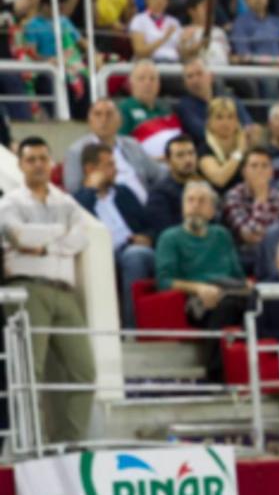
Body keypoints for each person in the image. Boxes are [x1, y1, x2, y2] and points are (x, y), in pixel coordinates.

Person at [0, 137, 94, 443]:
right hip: (27, 289)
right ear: (20, 164)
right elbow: (19, 236)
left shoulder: (65, 201)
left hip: (65, 291)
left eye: (43, 158)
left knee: (83, 371)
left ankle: (68, 443)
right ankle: (30, 443)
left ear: (51, 162)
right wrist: (59, 236)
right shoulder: (9, 203)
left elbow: (83, 236)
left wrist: (42, 245)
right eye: (31, 159)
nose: (39, 164)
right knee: (28, 372)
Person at [155, 180, 248, 381]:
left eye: (202, 201)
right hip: (195, 299)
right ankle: (216, 373)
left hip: (230, 290)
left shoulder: (222, 235)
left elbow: (237, 275)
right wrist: (199, 288)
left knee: (258, 302)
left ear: (212, 210)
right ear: (183, 206)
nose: (195, 205)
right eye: (190, 200)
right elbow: (164, 281)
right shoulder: (170, 238)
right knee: (227, 305)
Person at [73, 143, 156, 329]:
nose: (115, 170)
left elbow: (150, 226)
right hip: (103, 254)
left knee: (135, 255)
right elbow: (80, 219)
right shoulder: (77, 200)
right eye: (109, 165)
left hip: (135, 248)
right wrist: (91, 189)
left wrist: (146, 237)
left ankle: (138, 328)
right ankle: (131, 330)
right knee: (131, 258)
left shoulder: (124, 193)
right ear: (90, 169)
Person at [64, 98, 165, 204]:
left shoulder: (132, 144)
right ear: (89, 121)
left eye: (109, 114)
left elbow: (158, 174)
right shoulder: (76, 151)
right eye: (98, 114)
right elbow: (74, 190)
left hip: (147, 205)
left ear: (120, 121)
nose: (103, 120)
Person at [221, 147, 279, 256]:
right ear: (244, 172)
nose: (259, 171)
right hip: (246, 256)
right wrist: (260, 199)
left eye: (264, 166)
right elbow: (250, 237)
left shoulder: (278, 197)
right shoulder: (233, 196)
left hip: (277, 254)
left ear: (271, 172)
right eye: (254, 166)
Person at [117, 60, 181, 156]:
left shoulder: (166, 108)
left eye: (152, 79)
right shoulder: (124, 109)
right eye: (142, 79)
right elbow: (121, 147)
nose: (148, 83)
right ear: (131, 84)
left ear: (159, 84)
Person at [145, 135, 200, 240]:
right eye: (180, 155)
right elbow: (166, 234)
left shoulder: (204, 185)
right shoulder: (159, 194)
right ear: (168, 161)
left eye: (191, 153)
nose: (188, 159)